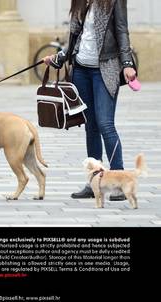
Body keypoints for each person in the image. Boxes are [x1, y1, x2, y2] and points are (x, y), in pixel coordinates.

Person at [43, 0, 136, 202]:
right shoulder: (80, 1)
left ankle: (118, 181)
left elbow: (122, 31)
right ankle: (95, 182)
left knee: (105, 124)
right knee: (91, 126)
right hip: (81, 70)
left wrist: (127, 63)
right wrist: (59, 58)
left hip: (105, 69)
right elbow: (76, 36)